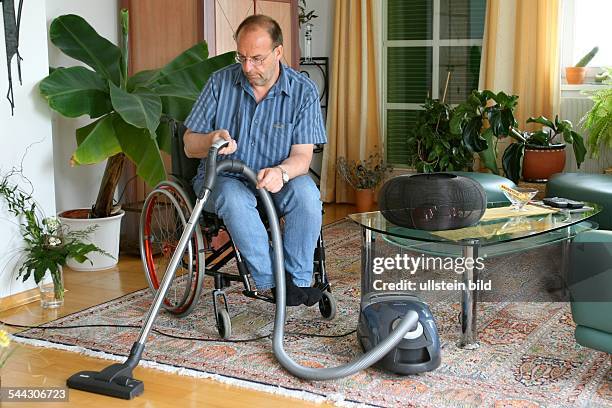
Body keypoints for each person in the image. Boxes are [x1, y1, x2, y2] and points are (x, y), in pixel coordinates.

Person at [183, 15, 327, 306]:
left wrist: (281, 172)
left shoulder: (303, 91)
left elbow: (302, 157)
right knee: (235, 199)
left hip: (274, 178)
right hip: (223, 179)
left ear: (278, 52)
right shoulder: (219, 83)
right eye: (242, 57)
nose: (248, 67)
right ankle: (272, 282)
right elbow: (188, 144)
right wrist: (211, 140)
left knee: (308, 194)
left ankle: (297, 281)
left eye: (258, 59)